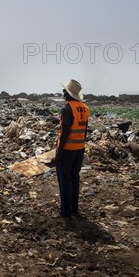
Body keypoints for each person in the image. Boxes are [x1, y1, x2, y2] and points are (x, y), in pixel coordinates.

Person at [55, 79, 89, 218]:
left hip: (68, 149)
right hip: (80, 148)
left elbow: (65, 131)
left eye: (64, 92)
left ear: (66, 94)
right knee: (75, 178)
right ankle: (74, 207)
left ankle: (66, 211)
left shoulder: (67, 108)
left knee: (65, 179)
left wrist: (59, 151)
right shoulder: (85, 108)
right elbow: (85, 129)